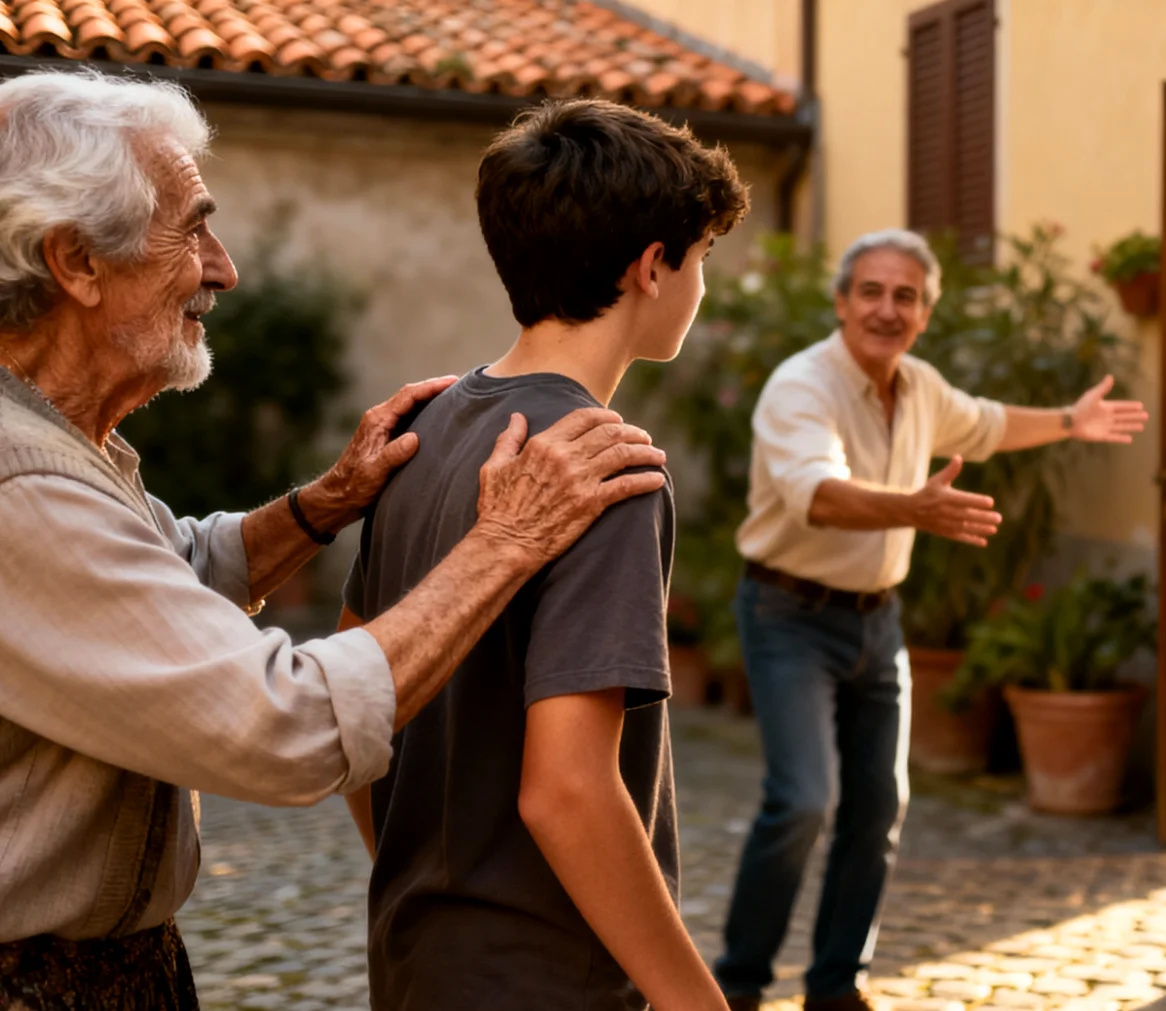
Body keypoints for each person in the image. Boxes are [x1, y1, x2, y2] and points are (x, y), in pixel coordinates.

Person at [0, 71, 667, 1010]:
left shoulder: (61, 448)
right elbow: (282, 723)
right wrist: (506, 537)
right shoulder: (19, 482)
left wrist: (324, 504)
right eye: (192, 227)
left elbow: (169, 575)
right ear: (76, 262)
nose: (223, 266)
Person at [338, 98, 747, 1011]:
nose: (701, 283)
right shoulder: (599, 466)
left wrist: (427, 880)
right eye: (703, 259)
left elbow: (357, 697)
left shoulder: (422, 425)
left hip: (414, 959)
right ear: (652, 268)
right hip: (547, 982)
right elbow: (566, 789)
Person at [715, 228, 1151, 1011]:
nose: (888, 308)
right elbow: (813, 492)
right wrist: (912, 506)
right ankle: (739, 983)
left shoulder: (918, 386)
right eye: (873, 292)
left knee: (879, 803)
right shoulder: (800, 385)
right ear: (843, 302)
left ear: (925, 313)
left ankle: (837, 985)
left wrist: (1066, 419)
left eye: (906, 296)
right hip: (788, 615)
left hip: (878, 623)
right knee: (805, 798)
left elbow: (985, 424)